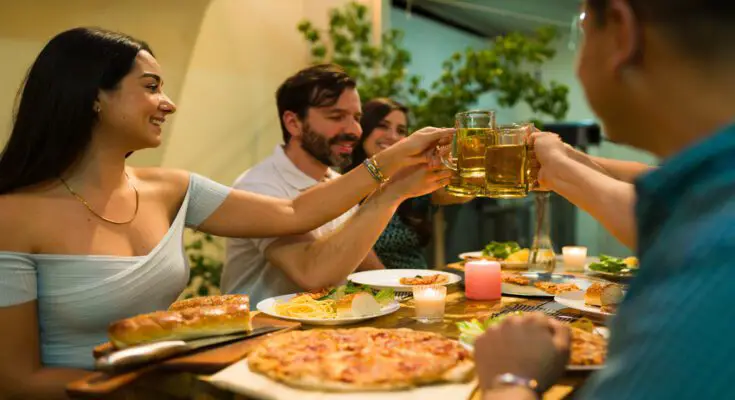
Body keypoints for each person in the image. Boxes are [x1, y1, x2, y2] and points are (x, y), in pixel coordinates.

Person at [0, 28, 452, 398]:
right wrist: (149, 392)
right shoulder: (13, 217)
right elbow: (16, 380)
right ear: (93, 96)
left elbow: (295, 211)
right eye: (152, 87)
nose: (169, 103)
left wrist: (396, 170)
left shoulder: (173, 188)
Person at [477, 0, 735, 399]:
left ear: (620, 32)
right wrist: (566, 166)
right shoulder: (707, 199)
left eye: (581, 32)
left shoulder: (709, 262)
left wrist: (510, 380)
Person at [221, 67, 445, 302]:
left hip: (331, 332)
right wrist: (392, 187)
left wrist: (415, 299)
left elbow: (367, 268)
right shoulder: (260, 186)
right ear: (294, 123)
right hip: (265, 333)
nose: (354, 130)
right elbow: (311, 272)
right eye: (336, 117)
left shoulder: (337, 183)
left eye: (356, 118)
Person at [345, 98, 472, 269]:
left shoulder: (412, 179)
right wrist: (394, 293)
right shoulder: (342, 183)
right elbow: (357, 255)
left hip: (421, 286)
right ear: (363, 129)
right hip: (372, 290)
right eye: (383, 126)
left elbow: (463, 193)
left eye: (401, 130)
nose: (392, 136)